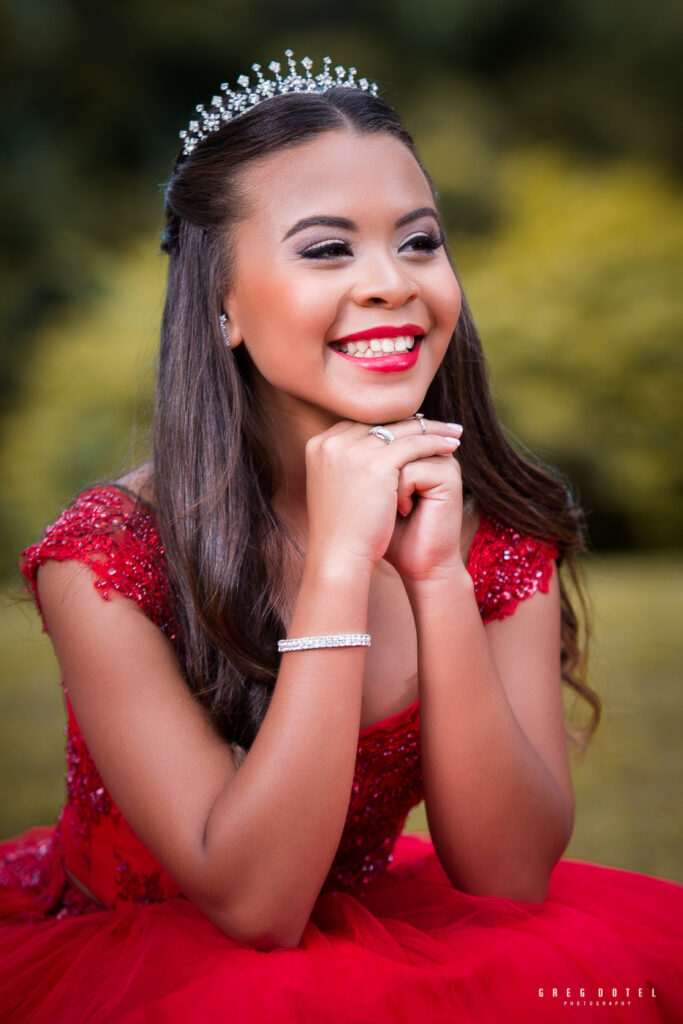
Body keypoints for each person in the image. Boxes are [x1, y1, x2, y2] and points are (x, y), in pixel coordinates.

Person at [1, 51, 681, 1023]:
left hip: (388, 935)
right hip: (159, 958)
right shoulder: (109, 559)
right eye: (327, 250)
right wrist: (334, 567)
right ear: (221, 304)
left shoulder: (491, 528)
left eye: (417, 242)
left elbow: (509, 875)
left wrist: (437, 576)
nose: (388, 284)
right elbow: (257, 906)